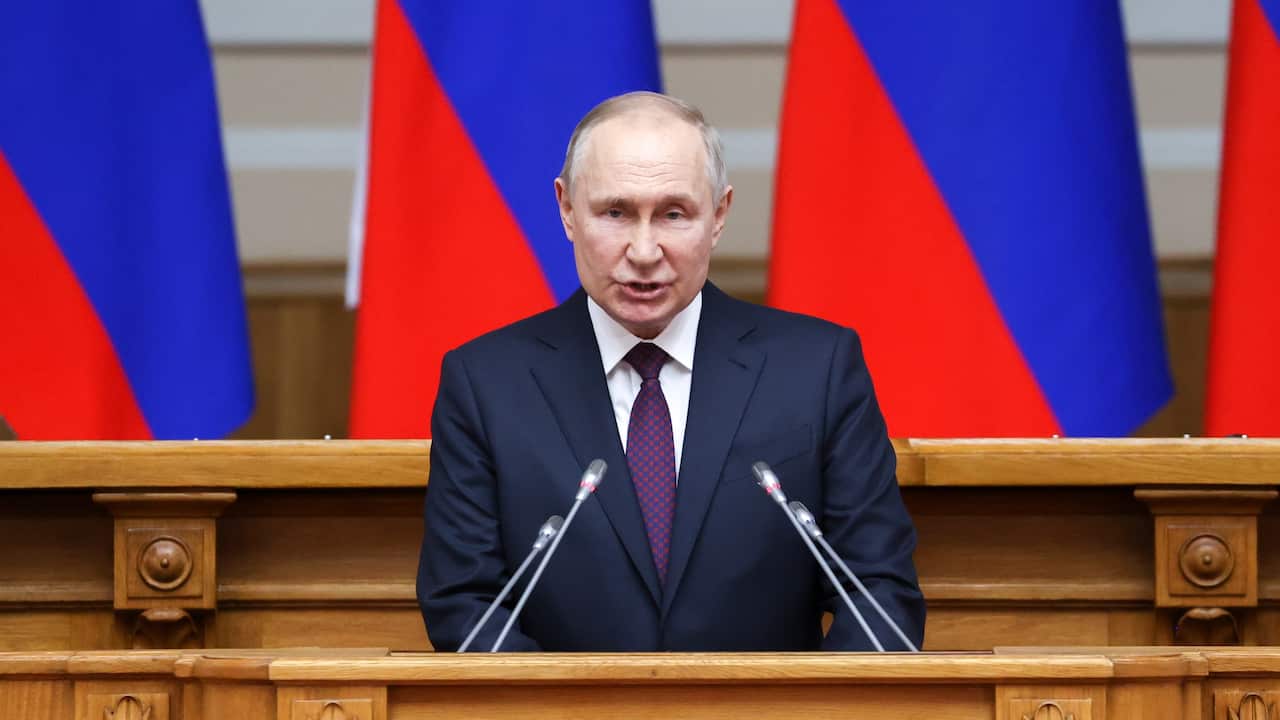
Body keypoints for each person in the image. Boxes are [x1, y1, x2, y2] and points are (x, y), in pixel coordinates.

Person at [417, 91, 924, 651]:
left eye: (673, 214)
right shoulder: (487, 383)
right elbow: (464, 603)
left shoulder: (817, 368)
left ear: (719, 215)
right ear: (566, 209)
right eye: (615, 212)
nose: (643, 249)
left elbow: (877, 592)